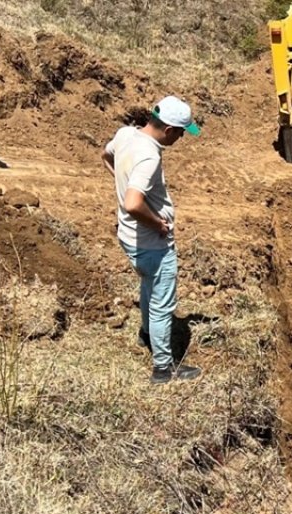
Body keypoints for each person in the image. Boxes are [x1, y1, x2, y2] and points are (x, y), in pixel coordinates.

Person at [102, 97, 203, 384]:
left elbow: (105, 156)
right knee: (162, 303)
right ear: (169, 129)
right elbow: (134, 204)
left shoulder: (125, 134)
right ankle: (163, 369)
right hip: (151, 243)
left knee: (149, 286)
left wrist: (121, 183)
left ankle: (147, 333)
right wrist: (158, 223)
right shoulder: (149, 156)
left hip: (130, 239)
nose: (183, 137)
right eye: (182, 132)